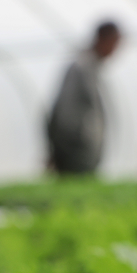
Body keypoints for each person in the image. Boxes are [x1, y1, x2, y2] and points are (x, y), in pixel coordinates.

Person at [46, 21, 122, 175]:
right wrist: (67, 149)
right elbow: (64, 113)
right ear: (103, 39)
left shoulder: (92, 68)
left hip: (83, 153)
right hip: (75, 154)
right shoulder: (82, 68)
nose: (115, 51)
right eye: (114, 44)